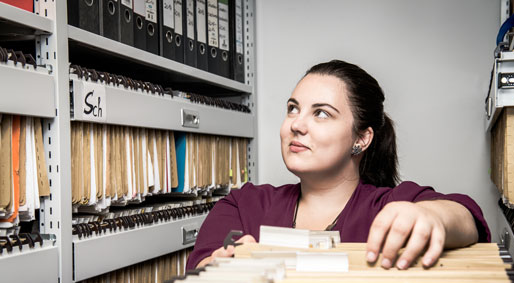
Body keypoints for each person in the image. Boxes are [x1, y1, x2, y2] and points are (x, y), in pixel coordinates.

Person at [186, 60, 490, 271]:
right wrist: (218, 267)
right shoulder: (244, 203)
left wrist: (433, 216)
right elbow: (200, 269)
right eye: (293, 109)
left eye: (321, 113)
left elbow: (467, 216)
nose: (297, 125)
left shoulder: (389, 206)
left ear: (361, 138)